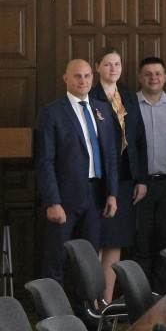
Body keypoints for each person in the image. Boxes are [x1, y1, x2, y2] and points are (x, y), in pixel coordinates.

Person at [35, 59, 118, 285]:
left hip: (96, 196)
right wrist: (52, 201)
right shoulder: (51, 112)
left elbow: (111, 155)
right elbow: (44, 161)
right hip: (64, 199)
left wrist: (112, 194)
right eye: (77, 76)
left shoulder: (101, 109)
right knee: (56, 260)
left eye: (87, 76)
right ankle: (53, 308)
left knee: (88, 262)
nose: (83, 81)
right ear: (66, 79)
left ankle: (87, 308)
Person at [89, 47, 148, 304]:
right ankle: (91, 303)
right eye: (107, 64)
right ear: (97, 67)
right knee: (97, 241)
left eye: (117, 64)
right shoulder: (90, 96)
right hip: (99, 180)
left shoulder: (128, 96)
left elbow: (140, 138)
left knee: (116, 241)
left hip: (125, 178)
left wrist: (141, 178)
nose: (113, 69)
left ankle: (106, 302)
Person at [133, 56, 166, 294]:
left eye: (157, 74)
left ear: (164, 77)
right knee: (140, 242)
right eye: (148, 74)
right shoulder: (128, 106)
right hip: (138, 186)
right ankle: (141, 297)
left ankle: (162, 295)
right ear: (140, 77)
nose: (153, 78)